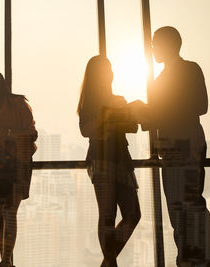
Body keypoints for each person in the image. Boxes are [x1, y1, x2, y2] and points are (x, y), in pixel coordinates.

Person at [142, 26, 210, 266]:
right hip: (170, 147)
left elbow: (201, 105)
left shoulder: (189, 69)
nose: (152, 49)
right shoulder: (158, 81)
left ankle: (199, 258)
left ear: (169, 44)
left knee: (191, 201)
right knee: (175, 206)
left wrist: (160, 110)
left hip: (187, 142)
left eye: (155, 43)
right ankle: (185, 258)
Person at [77, 56, 141, 267]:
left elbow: (132, 127)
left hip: (121, 157)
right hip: (102, 159)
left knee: (133, 214)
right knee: (107, 215)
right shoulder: (90, 103)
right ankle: (110, 262)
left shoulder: (118, 99)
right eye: (107, 69)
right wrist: (111, 114)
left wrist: (124, 113)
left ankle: (108, 261)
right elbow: (86, 130)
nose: (111, 73)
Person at [0, 68, 37, 267]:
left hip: (18, 164)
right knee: (0, 215)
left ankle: (5, 260)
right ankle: (6, 260)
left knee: (9, 211)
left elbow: (31, 133)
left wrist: (6, 133)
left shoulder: (18, 104)